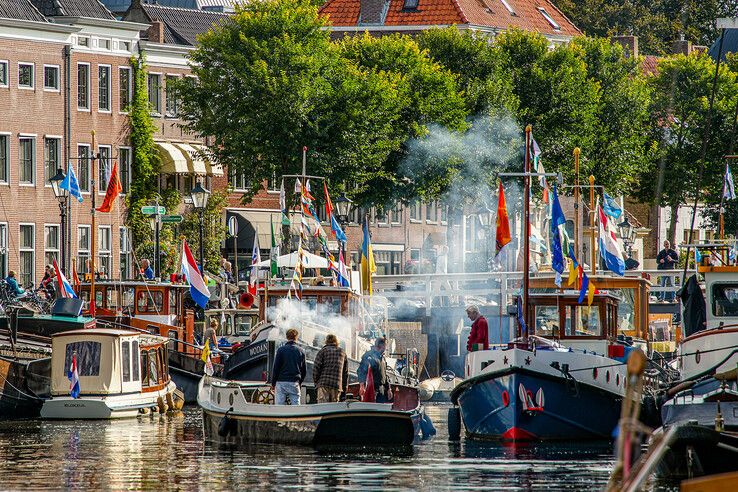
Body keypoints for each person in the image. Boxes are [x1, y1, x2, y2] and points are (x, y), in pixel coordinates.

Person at [270, 328, 306, 405]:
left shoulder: (280, 350)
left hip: (281, 382)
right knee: (296, 406)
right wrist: (299, 382)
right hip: (294, 382)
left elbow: (276, 368)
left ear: (287, 337)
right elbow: (304, 370)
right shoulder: (301, 351)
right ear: (296, 337)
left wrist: (273, 383)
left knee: (279, 406)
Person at [313, 334, 348, 403]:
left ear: (326, 341)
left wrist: (316, 382)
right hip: (336, 385)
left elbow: (316, 368)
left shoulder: (323, 351)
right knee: (333, 408)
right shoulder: (342, 353)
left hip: (323, 384)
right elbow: (345, 372)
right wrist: (344, 386)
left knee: (322, 407)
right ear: (336, 341)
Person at [358, 337, 393, 403]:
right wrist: (362, 386)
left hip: (381, 390)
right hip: (371, 389)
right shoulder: (368, 355)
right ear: (382, 345)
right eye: (385, 346)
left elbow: (384, 375)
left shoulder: (382, 358)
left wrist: (388, 389)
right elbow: (361, 371)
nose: (386, 348)